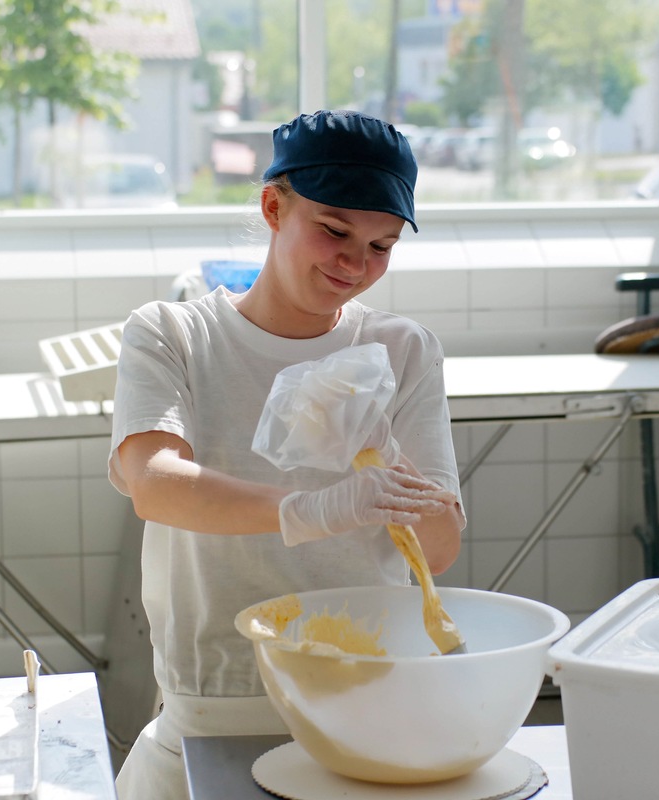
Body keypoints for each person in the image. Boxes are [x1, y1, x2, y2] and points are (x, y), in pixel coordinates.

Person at [108, 109, 466, 800]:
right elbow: (154, 484)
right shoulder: (175, 335)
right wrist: (311, 509)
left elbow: (441, 547)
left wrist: (384, 454)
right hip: (215, 703)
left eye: (382, 245)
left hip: (368, 697)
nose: (355, 264)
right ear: (274, 206)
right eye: (334, 231)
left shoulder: (402, 351)